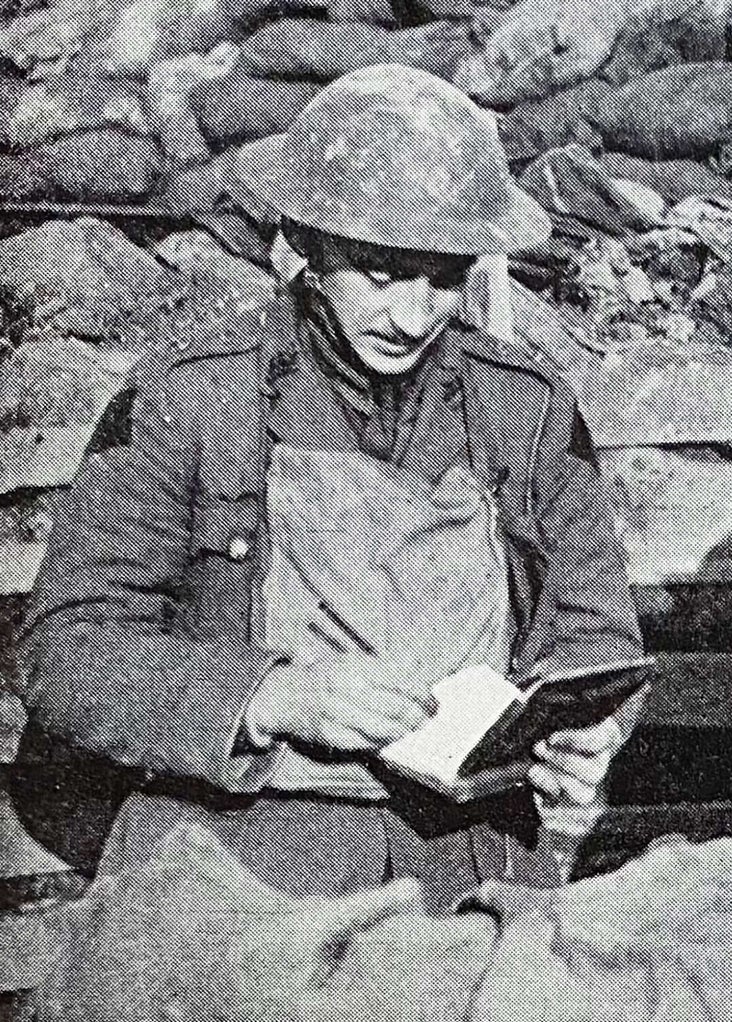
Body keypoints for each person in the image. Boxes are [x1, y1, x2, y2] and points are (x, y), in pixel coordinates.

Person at [22, 66, 643, 911]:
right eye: (381, 273)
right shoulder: (194, 397)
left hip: (473, 870)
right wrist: (271, 695)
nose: (414, 316)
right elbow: (67, 648)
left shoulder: (524, 408)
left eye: (443, 276)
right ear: (305, 245)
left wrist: (580, 730)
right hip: (246, 865)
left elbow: (593, 631)